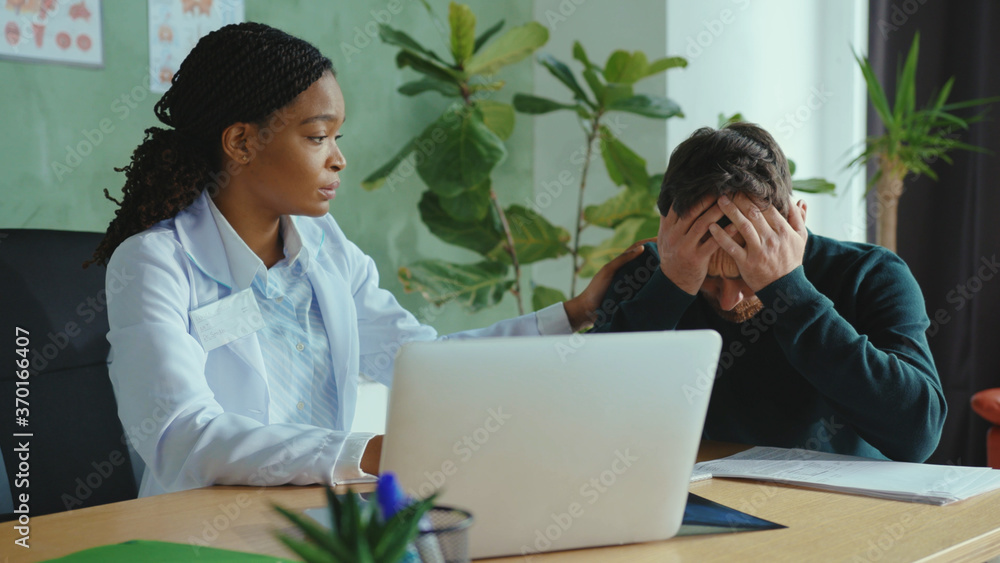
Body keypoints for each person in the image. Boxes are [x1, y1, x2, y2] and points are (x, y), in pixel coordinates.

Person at [88, 22, 640, 497]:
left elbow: (421, 363)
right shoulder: (154, 262)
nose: (338, 158)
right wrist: (371, 452)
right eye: (317, 136)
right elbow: (182, 437)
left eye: (336, 136)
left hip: (324, 514)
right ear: (240, 142)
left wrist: (571, 314)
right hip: (199, 532)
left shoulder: (324, 244)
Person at [590, 122, 946, 462]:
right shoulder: (648, 275)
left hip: (841, 510)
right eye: (710, 280)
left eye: (747, 275)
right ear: (668, 230)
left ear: (797, 222)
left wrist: (788, 289)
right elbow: (587, 417)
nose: (729, 300)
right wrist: (671, 287)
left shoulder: (870, 275)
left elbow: (918, 436)